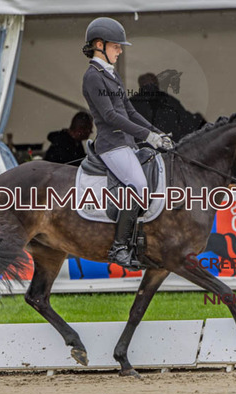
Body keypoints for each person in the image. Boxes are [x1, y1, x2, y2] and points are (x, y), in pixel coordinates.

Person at [81, 17, 172, 269]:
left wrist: (158, 133)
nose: (120, 50)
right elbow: (111, 116)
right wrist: (147, 137)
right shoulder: (93, 76)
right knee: (139, 186)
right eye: (116, 46)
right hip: (111, 145)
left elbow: (129, 111)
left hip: (127, 143)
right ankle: (119, 248)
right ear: (99, 45)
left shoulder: (111, 74)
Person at [129, 73, 205, 141]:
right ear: (156, 83)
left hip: (141, 147)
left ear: (141, 85)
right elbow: (186, 121)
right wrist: (200, 122)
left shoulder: (132, 103)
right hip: (169, 146)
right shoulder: (169, 100)